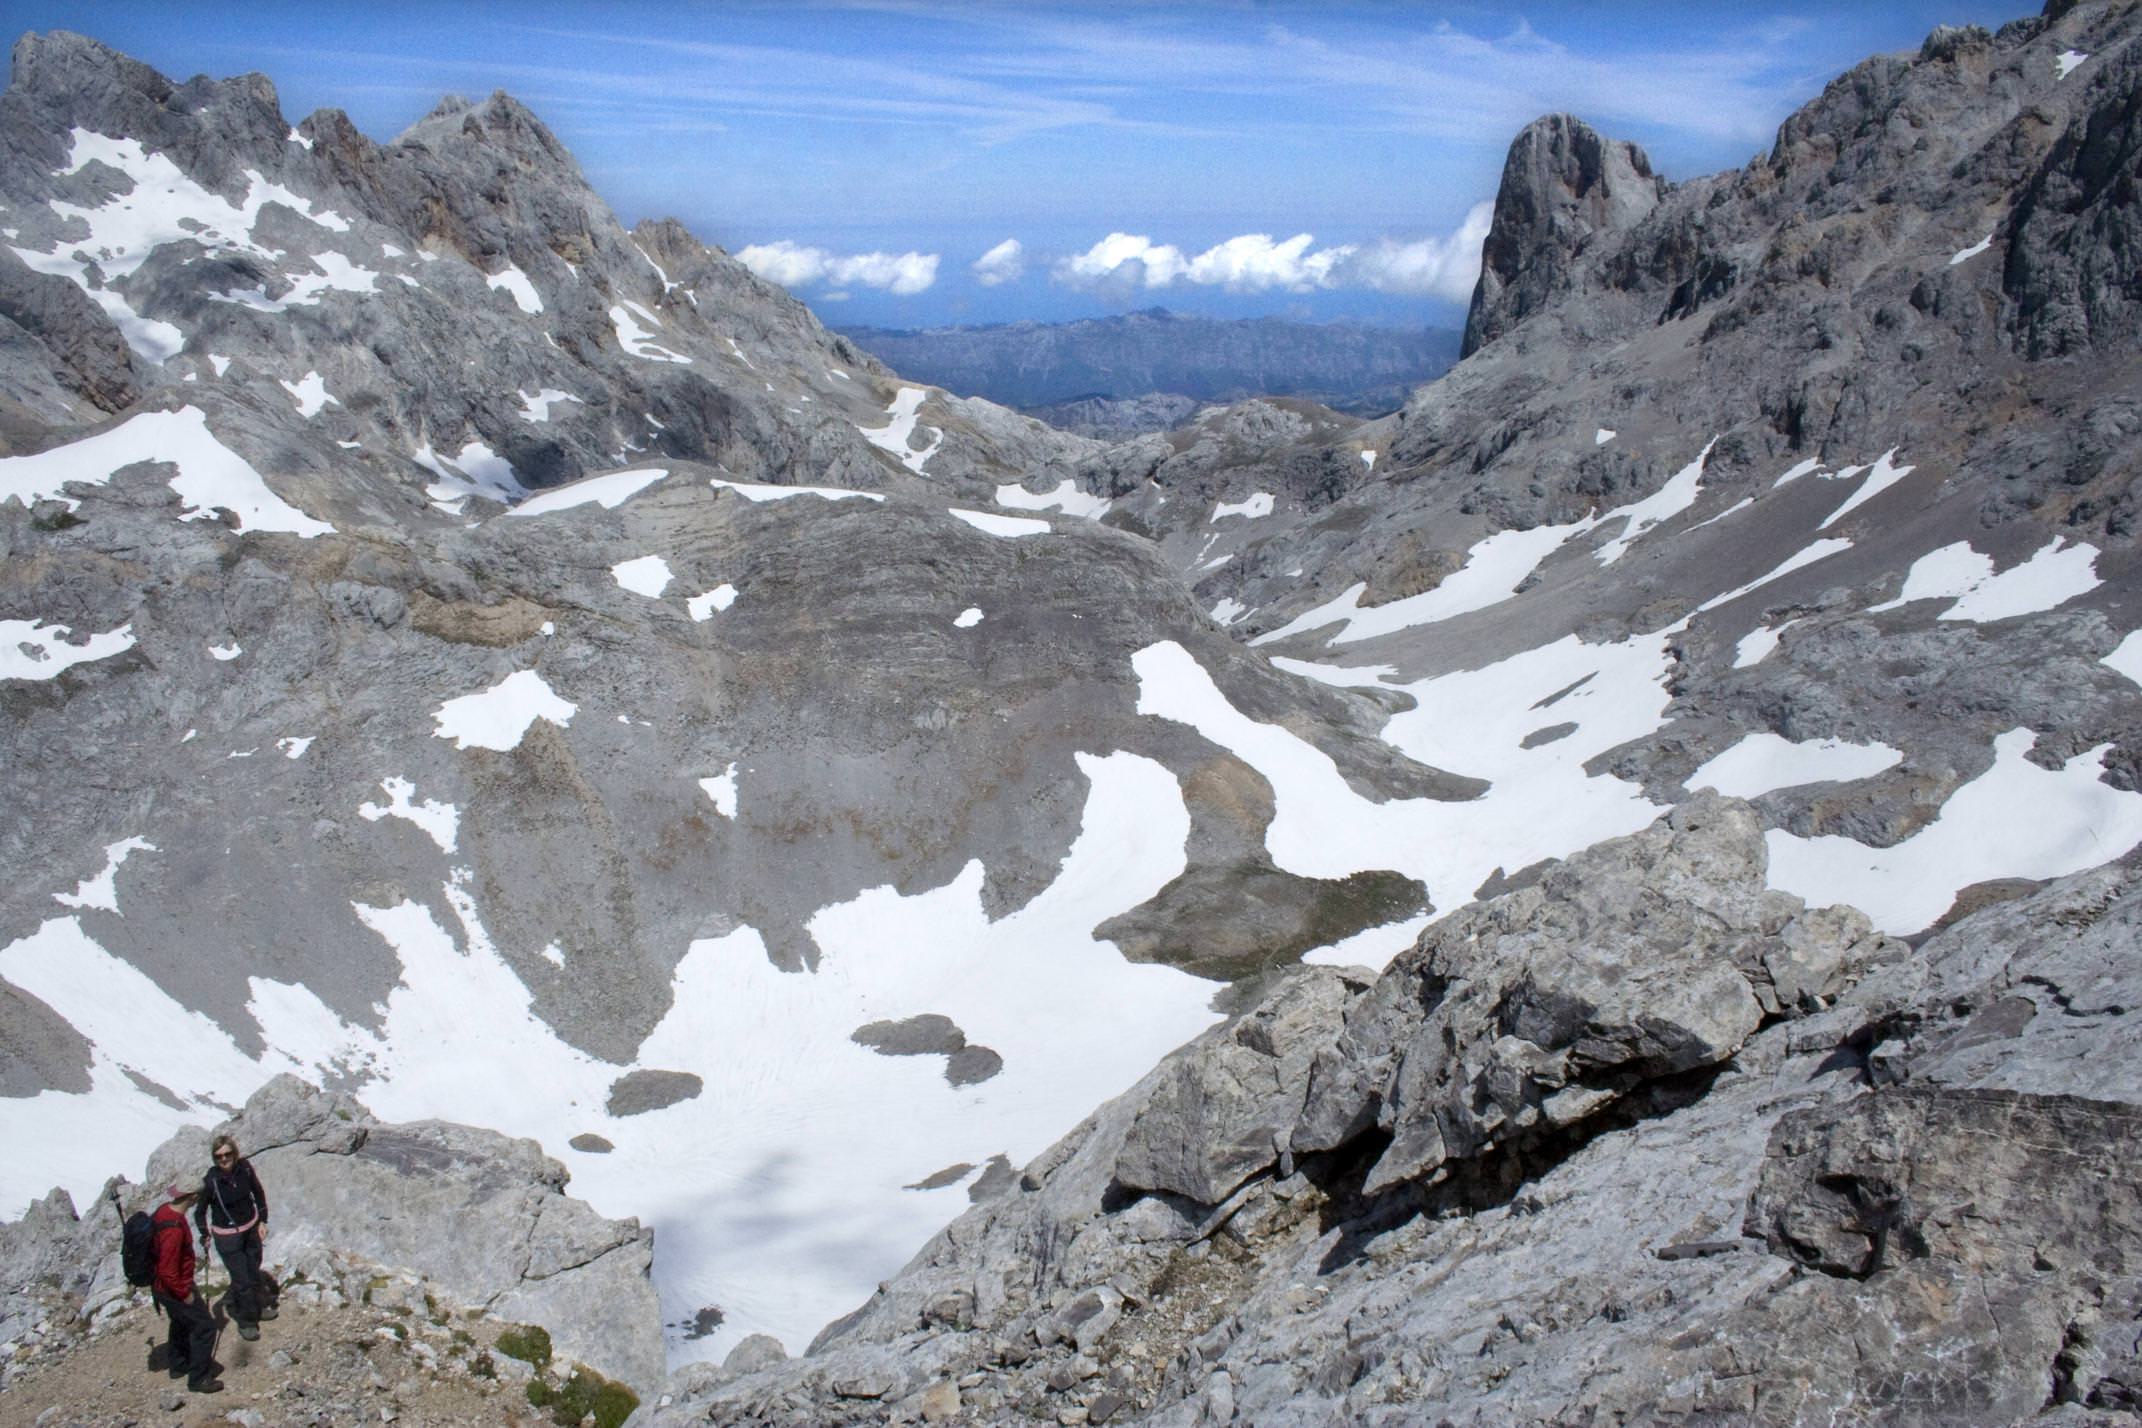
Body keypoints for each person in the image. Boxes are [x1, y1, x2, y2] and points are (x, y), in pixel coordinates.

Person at [195, 1134, 275, 1340]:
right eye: (219, 1155)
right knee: (242, 1280)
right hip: (227, 1238)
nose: (223, 1159)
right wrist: (204, 1233)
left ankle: (257, 1307)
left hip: (251, 1229)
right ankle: (248, 1320)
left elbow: (258, 1193)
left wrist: (262, 1220)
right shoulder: (211, 1181)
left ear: (235, 1153)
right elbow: (200, 1211)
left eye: (227, 1154)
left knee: (253, 1270)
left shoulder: (245, 1169)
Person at [150, 1185, 221, 1393]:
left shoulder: (163, 1211)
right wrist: (185, 1293)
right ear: (193, 1197)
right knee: (205, 1327)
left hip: (160, 1288)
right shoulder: (174, 1227)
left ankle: (178, 1365)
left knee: (181, 1321)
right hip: (174, 1287)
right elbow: (167, 1270)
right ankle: (198, 1379)